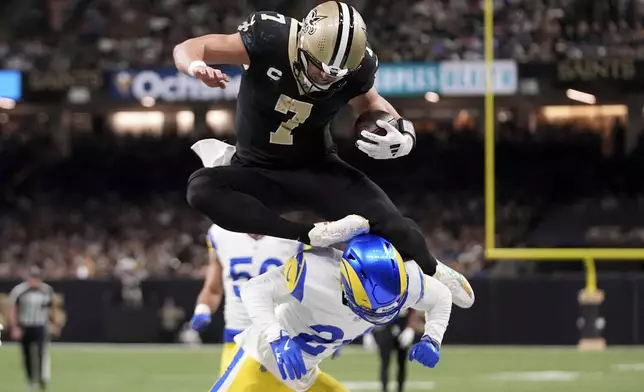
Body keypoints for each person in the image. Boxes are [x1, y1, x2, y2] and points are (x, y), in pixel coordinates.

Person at [174, 1, 474, 309]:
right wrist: (195, 66)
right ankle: (311, 234)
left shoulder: (358, 68)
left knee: (386, 218)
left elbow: (371, 104)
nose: (326, 77)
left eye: (336, 73)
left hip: (316, 168)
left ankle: (433, 269)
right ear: (303, 42)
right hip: (256, 168)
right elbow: (191, 47)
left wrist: (404, 132)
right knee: (201, 188)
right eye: (319, 66)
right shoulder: (270, 38)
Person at [208, 234, 452, 392]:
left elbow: (442, 296)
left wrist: (433, 337)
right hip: (261, 363)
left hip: (304, 375)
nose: (379, 315)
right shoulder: (315, 272)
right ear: (346, 283)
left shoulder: (405, 282)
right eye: (370, 306)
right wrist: (276, 335)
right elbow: (254, 289)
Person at [189, 223, 304, 374]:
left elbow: (308, 289)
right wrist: (202, 309)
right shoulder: (220, 233)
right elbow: (213, 289)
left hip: (282, 340)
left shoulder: (293, 236)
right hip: (237, 338)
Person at [9, 267, 60, 392]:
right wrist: (15, 327)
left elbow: (52, 307)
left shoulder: (46, 290)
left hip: (40, 325)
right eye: (32, 278)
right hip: (25, 325)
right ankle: (31, 379)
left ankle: (43, 378)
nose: (34, 281)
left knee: (41, 353)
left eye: (37, 278)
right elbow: (14, 310)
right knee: (27, 354)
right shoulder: (20, 291)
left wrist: (54, 324)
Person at [363, 309, 422, 392]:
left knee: (402, 363)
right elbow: (371, 309)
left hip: (403, 326)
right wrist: (368, 331)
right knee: (384, 362)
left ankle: (400, 389)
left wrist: (410, 327)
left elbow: (413, 309)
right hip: (386, 328)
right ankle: (384, 389)